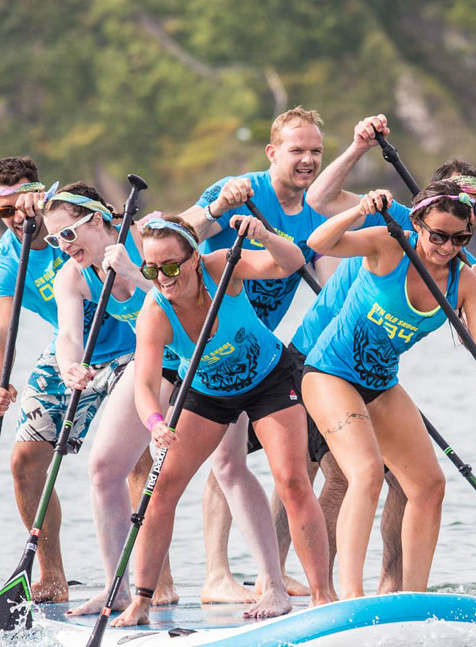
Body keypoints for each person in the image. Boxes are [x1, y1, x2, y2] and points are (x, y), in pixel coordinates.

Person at [304, 114, 476, 592]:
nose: (446, 248)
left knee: (429, 486)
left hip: (380, 382)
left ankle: (411, 597)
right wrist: (360, 211)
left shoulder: (464, 279)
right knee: (364, 474)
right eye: (438, 236)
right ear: (419, 223)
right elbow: (317, 240)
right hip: (327, 372)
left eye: (459, 240)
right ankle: (347, 595)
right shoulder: (390, 244)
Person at [112, 215, 334, 627]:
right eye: (151, 269)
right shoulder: (155, 314)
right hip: (206, 392)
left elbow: (288, 263)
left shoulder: (222, 267)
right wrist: (156, 421)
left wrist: (265, 236)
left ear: (194, 259)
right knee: (159, 493)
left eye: (171, 266)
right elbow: (144, 384)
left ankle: (322, 596)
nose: (162, 277)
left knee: (291, 480)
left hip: (270, 377)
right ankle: (141, 602)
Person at [175, 107, 333, 601]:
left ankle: (272, 572)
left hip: (259, 355)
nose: (306, 160)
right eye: (296, 150)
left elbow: (328, 287)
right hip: (206, 348)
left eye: (314, 152)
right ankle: (217, 575)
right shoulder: (241, 186)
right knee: (226, 460)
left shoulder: (312, 217)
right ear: (272, 152)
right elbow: (172, 241)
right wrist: (218, 206)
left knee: (241, 460)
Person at [37, 183, 180, 611]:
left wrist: (136, 276)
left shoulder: (145, 242)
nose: (63, 247)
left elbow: (191, 299)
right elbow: (67, 334)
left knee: (229, 470)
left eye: (66, 234)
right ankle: (116, 587)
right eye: (52, 239)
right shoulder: (73, 276)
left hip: (210, 354)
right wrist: (69, 366)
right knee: (102, 468)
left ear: (96, 221)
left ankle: (274, 584)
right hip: (156, 363)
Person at [0, 158, 99, 602]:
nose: (15, 220)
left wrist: (53, 205)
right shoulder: (3, 262)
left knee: (133, 458)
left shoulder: (70, 217)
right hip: (69, 350)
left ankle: (154, 585)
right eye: (3, 213)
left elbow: (114, 223)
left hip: (135, 340)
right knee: (24, 462)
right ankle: (52, 578)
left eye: (20, 206)